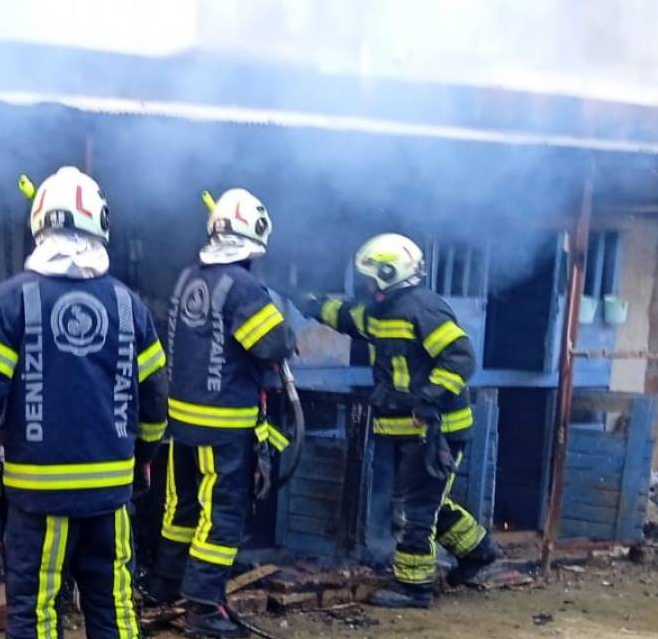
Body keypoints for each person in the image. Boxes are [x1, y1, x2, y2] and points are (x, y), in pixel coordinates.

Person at [0, 166, 168, 639]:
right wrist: (143, 459)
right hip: (110, 500)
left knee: (36, 613)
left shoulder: (9, 302)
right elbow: (154, 402)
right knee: (115, 609)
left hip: (39, 503)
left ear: (39, 224)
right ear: (101, 225)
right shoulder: (130, 306)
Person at [308, 233, 501, 609]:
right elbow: (347, 317)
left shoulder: (423, 309)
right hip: (403, 430)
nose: (365, 284)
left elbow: (460, 358)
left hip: (435, 431)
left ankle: (414, 587)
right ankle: (479, 551)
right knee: (429, 502)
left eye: (369, 276)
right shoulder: (382, 312)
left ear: (388, 272)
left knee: (415, 510)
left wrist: (430, 397)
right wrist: (308, 302)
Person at [149, 188, 296, 637]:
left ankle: (165, 585)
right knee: (221, 516)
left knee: (181, 509)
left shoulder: (189, 276)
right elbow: (275, 344)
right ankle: (203, 607)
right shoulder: (245, 287)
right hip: (225, 427)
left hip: (181, 424)